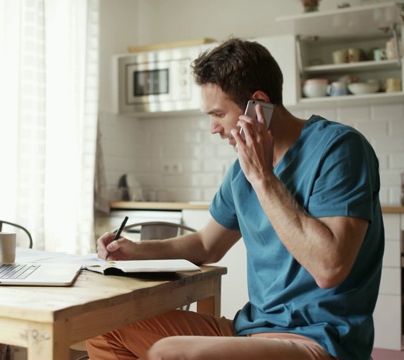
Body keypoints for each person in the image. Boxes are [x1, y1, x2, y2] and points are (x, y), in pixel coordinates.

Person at [86, 38, 384, 360]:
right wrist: (136, 251)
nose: (213, 128)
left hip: (318, 342)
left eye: (218, 114)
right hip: (250, 330)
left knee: (172, 353)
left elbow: (330, 268)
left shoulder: (339, 149)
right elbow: (205, 245)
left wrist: (263, 178)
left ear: (258, 104)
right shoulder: (240, 172)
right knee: (104, 327)